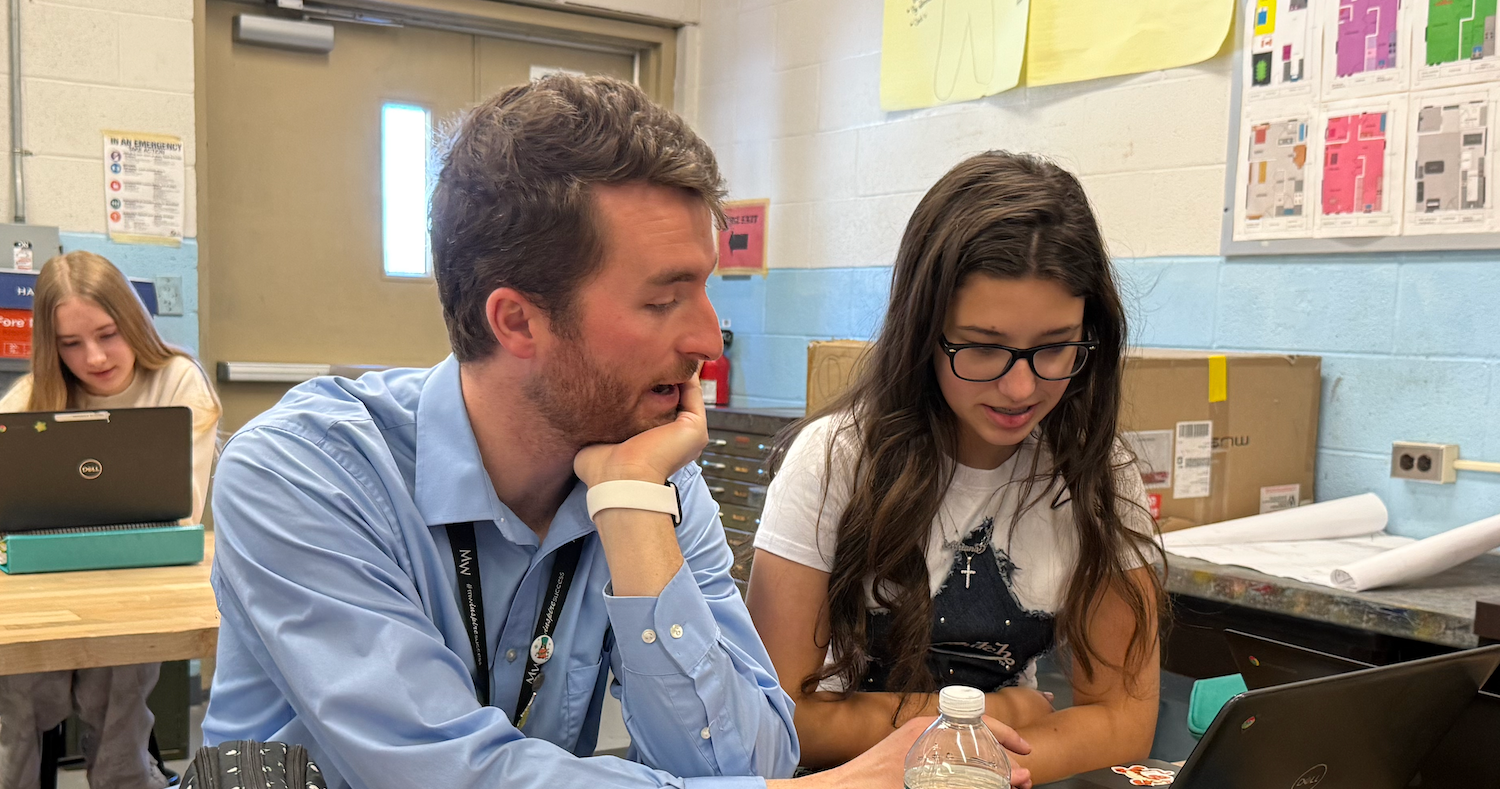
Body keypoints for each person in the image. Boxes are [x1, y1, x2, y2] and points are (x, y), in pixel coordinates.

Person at [200, 75, 1032, 789]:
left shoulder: (649, 470)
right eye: (664, 298)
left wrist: (633, 511)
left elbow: (746, 757)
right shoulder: (303, 472)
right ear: (518, 320)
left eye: (706, 289)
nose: (709, 338)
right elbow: (444, 770)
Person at [746, 152, 1163, 785]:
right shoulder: (832, 461)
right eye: (983, 347)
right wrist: (986, 714)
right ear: (924, 330)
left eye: (1055, 348)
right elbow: (779, 718)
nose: (1021, 387)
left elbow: (1123, 720)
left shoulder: (1099, 475)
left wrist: (970, 768)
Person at [0, 250, 222, 789]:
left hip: (135, 587)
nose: (94, 357)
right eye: (71, 344)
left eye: (107, 333)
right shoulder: (32, 398)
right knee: (19, 718)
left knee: (118, 718)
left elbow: (180, 513)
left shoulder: (177, 382)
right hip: (45, 589)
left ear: (134, 321)